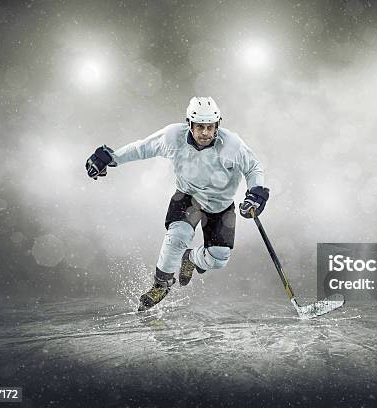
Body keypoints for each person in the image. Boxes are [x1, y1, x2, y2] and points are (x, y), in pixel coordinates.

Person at [85, 97, 269, 311]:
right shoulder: (173, 137)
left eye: (210, 127)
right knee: (177, 236)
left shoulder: (232, 145)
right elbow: (142, 148)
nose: (205, 133)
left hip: (221, 205)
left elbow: (253, 167)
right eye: (200, 126)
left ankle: (190, 258)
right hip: (188, 197)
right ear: (189, 124)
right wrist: (112, 158)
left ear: (218, 125)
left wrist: (255, 192)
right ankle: (161, 285)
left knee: (219, 258)